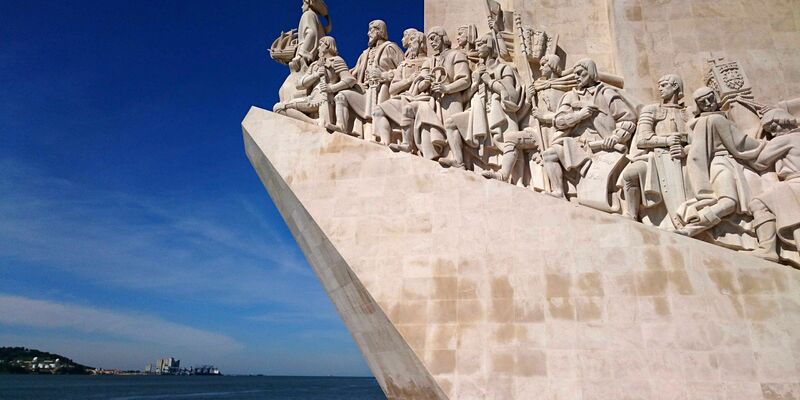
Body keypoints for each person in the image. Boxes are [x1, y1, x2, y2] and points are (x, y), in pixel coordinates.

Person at [674, 87, 765, 238]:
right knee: (729, 202)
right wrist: (764, 145)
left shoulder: (700, 122)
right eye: (703, 102)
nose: (708, 103)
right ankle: (693, 227)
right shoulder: (716, 119)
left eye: (710, 98)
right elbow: (740, 143)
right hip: (722, 163)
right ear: (698, 106)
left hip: (730, 164)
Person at [542, 58, 636, 198]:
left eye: (580, 73)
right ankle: (558, 191)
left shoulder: (606, 94)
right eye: (575, 74)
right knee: (549, 154)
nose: (576, 77)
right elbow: (558, 121)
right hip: (576, 144)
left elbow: (628, 119)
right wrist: (579, 116)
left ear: (590, 72)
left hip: (601, 143)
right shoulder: (570, 96)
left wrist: (615, 137)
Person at [620, 74, 691, 226]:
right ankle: (631, 214)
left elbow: (700, 140)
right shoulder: (651, 110)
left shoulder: (689, 113)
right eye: (659, 85)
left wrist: (686, 150)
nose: (660, 89)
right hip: (654, 158)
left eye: (664, 85)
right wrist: (666, 140)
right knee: (630, 174)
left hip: (685, 158)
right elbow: (642, 139)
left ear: (675, 86)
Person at [390, 26, 470, 160]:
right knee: (410, 109)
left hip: (451, 99)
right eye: (430, 40)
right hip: (433, 100)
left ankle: (458, 160)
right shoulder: (429, 61)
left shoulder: (456, 55)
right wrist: (425, 82)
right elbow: (420, 85)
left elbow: (465, 80)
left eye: (434, 38)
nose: (432, 42)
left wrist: (447, 88)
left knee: (451, 126)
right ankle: (408, 145)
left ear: (443, 37)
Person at [327, 20, 403, 137]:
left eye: (371, 30)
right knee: (341, 96)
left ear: (379, 31)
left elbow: (403, 70)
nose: (368, 33)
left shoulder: (391, 48)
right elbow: (353, 73)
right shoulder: (365, 54)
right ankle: (341, 127)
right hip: (364, 91)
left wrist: (384, 75)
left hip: (383, 91)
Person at [748, 109, 800, 265]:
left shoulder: (784, 140)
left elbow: (760, 162)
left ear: (781, 123)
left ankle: (767, 249)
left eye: (772, 127)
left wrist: (759, 141)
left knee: (758, 203)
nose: (773, 132)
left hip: (794, 183)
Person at [273, 37, 355, 126]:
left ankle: (319, 122)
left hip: (326, 97)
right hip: (312, 98)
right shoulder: (314, 65)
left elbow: (349, 80)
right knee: (279, 108)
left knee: (325, 124)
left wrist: (331, 88)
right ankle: (313, 122)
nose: (318, 48)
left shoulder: (336, 60)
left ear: (327, 46)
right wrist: (315, 75)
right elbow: (300, 84)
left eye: (320, 45)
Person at [371, 28, 428, 146]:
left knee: (407, 109)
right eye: (410, 40)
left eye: (413, 40)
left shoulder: (429, 61)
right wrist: (409, 80)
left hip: (421, 98)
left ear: (420, 42)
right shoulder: (403, 65)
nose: (409, 44)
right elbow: (393, 89)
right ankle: (385, 142)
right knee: (378, 110)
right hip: (403, 97)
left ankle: (407, 144)